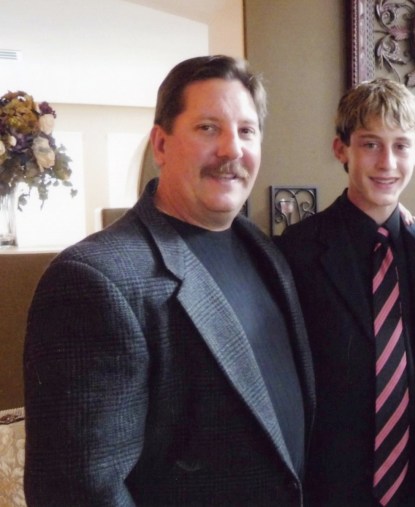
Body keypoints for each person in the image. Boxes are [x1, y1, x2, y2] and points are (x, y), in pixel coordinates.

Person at [23, 55, 315, 506]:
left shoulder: (267, 254)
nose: (231, 149)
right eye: (207, 128)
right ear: (161, 144)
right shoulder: (94, 280)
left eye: (246, 130)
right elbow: (80, 493)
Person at [276, 78, 415, 506]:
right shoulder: (296, 249)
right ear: (342, 150)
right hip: (327, 481)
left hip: (412, 481)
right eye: (370, 144)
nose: (387, 162)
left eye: (401, 146)